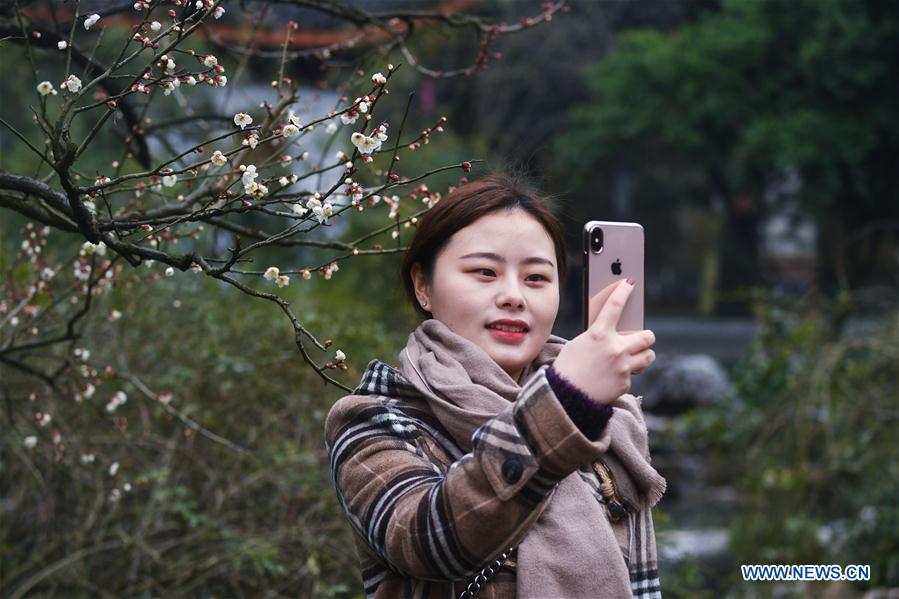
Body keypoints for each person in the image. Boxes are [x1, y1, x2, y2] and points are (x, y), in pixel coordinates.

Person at [325, 173, 665, 599]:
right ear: (423, 285)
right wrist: (564, 405)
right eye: (485, 272)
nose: (513, 296)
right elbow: (428, 541)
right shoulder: (372, 419)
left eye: (537, 278)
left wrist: (578, 401)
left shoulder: (610, 417)